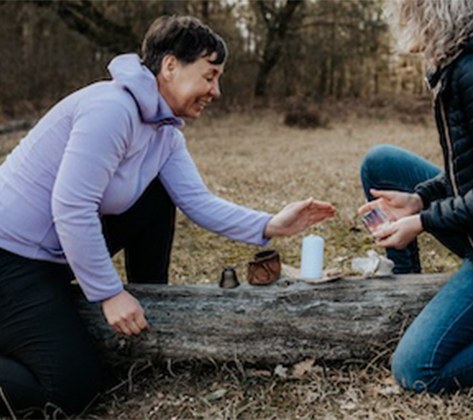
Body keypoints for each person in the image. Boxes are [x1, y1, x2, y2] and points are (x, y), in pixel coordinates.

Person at [0, 15, 336, 416]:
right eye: (210, 76)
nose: (217, 90)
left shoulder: (164, 132)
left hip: (51, 254)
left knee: (158, 193)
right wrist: (108, 294)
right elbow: (71, 206)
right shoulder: (111, 108)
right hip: (10, 255)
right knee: (68, 391)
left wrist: (270, 224)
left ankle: (149, 304)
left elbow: (197, 201)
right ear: (170, 66)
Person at [358, 0, 473, 393]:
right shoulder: (463, 64)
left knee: (417, 369)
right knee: (381, 162)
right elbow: (471, 172)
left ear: (432, 13)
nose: (401, 23)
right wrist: (418, 200)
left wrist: (422, 222)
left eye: (406, 12)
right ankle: (406, 289)